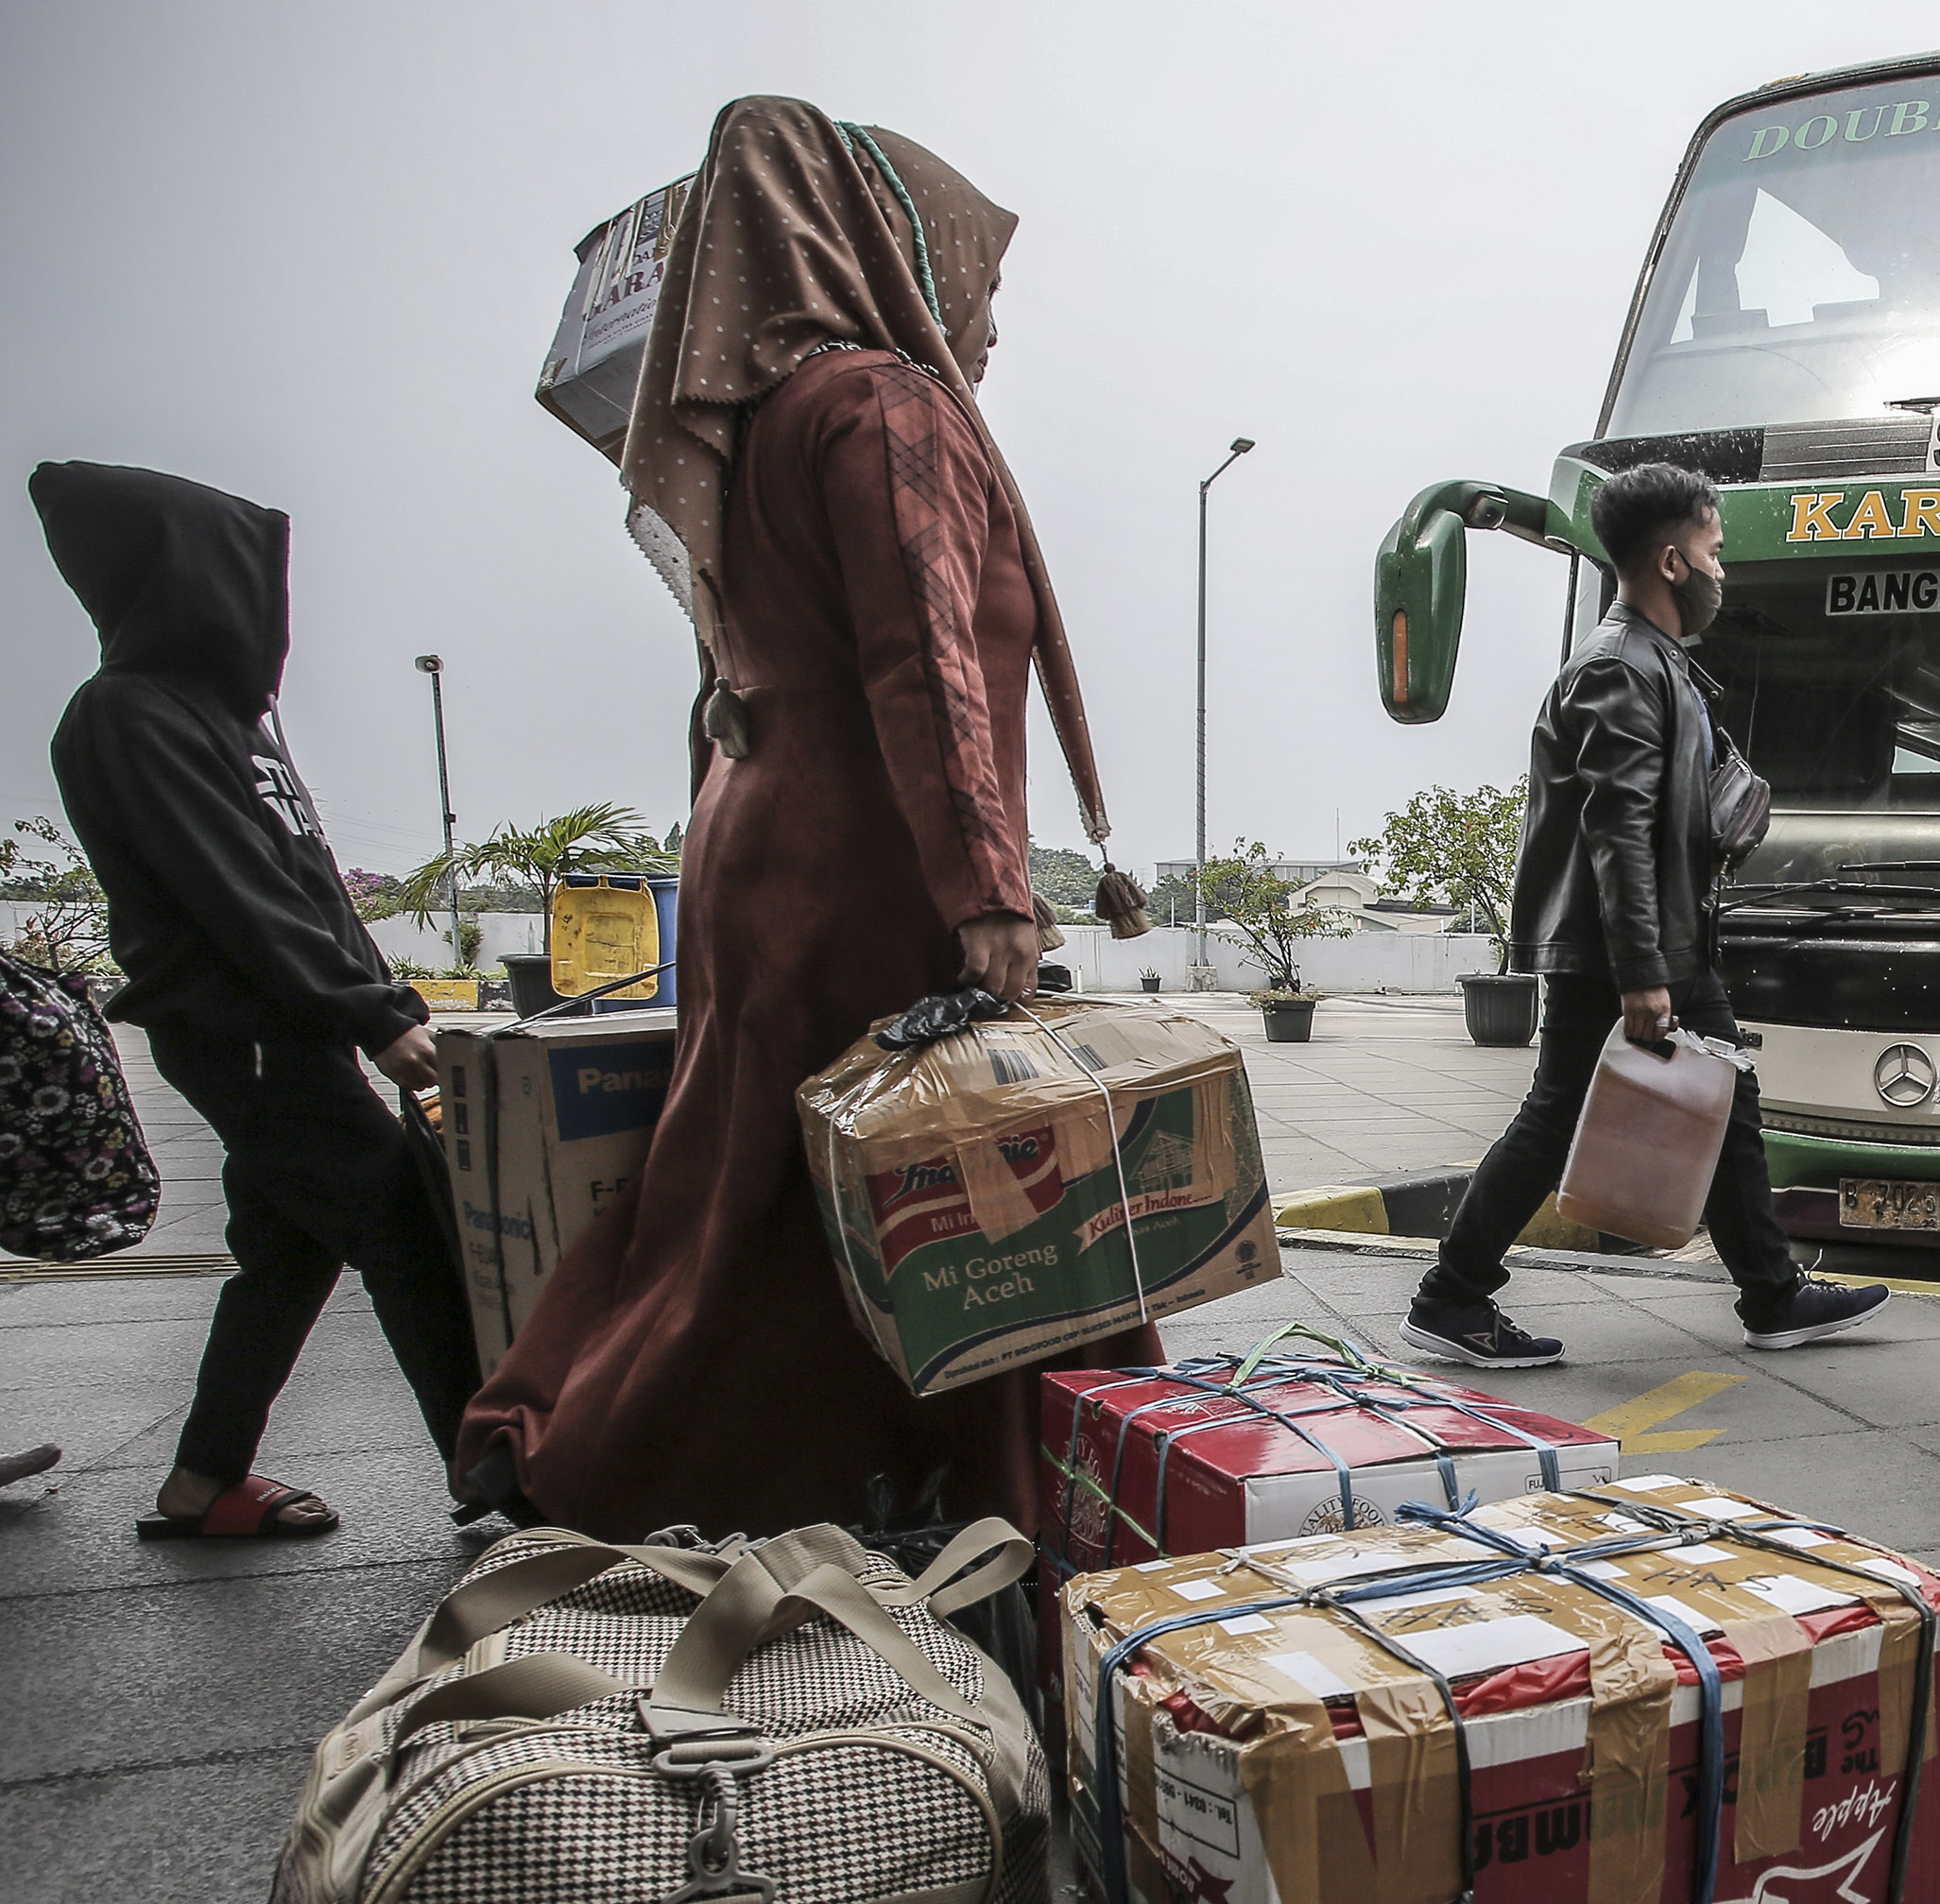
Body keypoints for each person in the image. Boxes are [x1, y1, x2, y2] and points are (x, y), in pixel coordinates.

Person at [453, 98, 1150, 1537]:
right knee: (952, 1187)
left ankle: (607, 1444)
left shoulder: (760, 422)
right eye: (983, 277)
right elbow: (924, 657)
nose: (991, 319)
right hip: (874, 867)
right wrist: (987, 887)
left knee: (747, 1190)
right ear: (894, 246)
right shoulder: (887, 405)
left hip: (765, 850)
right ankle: (993, 1495)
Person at [30, 461, 482, 1541]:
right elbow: (229, 887)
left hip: (288, 1029)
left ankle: (203, 1479)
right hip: (242, 1035)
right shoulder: (125, 714)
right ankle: (513, 1487)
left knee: (288, 1252)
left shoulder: (233, 721)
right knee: (407, 1232)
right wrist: (368, 1013)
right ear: (188, 577)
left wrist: (385, 1001)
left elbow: (308, 881)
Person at [1401, 464, 1884, 1368]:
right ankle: (1451, 1294)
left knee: (1724, 1096)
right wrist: (1643, 974)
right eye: (1714, 551)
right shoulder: (1618, 669)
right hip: (1620, 951)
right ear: (1671, 560)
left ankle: (1772, 1294)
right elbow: (1616, 830)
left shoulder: (1656, 662)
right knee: (1555, 1117)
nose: (1721, 571)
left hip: (1659, 941)